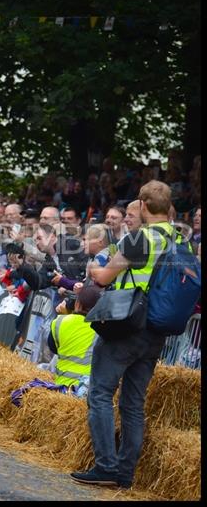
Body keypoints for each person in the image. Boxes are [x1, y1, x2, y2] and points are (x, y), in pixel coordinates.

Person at [71, 180, 178, 489]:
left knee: (101, 393)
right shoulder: (180, 239)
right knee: (133, 403)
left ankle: (106, 465)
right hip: (156, 329)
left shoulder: (140, 238)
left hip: (127, 322)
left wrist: (93, 270)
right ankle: (125, 472)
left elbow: (104, 276)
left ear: (143, 206)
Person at [47, 285, 101, 389]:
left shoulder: (59, 321)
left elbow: (54, 348)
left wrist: (67, 314)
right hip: (85, 389)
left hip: (61, 386)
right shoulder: (101, 330)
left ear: (77, 303)